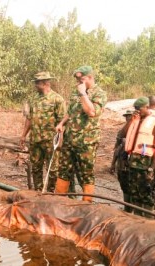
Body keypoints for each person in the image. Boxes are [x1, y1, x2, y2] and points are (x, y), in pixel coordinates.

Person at [55, 65, 107, 201]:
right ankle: (60, 201)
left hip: (87, 141)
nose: (79, 83)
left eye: (82, 79)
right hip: (70, 138)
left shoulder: (99, 93)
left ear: (90, 77)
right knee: (63, 170)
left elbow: (91, 112)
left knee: (86, 173)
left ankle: (86, 205)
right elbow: (71, 111)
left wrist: (83, 93)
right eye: (77, 80)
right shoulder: (75, 92)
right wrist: (62, 123)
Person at [20, 71, 66, 192]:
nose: (35, 85)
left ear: (45, 83)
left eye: (37, 83)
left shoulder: (57, 99)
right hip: (35, 140)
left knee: (53, 168)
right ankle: (37, 191)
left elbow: (62, 121)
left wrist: (60, 140)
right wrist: (23, 135)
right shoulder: (33, 98)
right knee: (36, 167)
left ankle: (50, 192)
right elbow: (29, 118)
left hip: (50, 140)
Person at [125, 97, 155, 216]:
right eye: (135, 109)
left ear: (147, 107)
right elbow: (123, 134)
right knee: (134, 193)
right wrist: (131, 120)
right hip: (133, 164)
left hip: (146, 165)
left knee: (146, 195)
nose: (137, 111)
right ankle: (137, 218)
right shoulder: (135, 121)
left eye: (139, 108)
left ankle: (148, 220)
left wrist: (152, 168)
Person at [109, 109, 133, 212]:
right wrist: (113, 164)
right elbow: (116, 149)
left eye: (130, 116)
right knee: (124, 186)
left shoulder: (138, 130)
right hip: (122, 163)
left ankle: (133, 209)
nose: (128, 118)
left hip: (133, 163)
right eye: (127, 116)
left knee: (133, 186)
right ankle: (127, 208)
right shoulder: (122, 131)